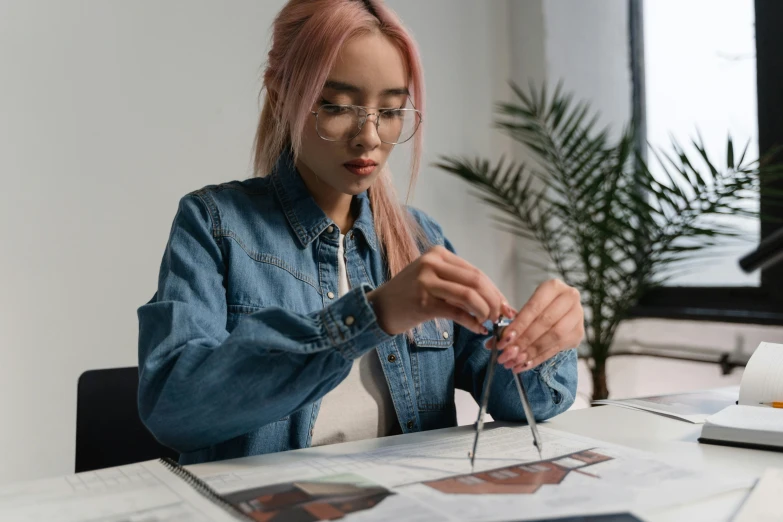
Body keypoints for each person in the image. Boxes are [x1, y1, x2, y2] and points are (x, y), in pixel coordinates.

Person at [137, 0, 583, 466]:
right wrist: (370, 316)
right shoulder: (216, 225)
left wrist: (547, 342)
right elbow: (173, 408)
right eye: (336, 105)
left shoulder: (420, 240)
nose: (369, 136)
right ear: (280, 94)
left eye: (390, 111)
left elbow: (522, 400)